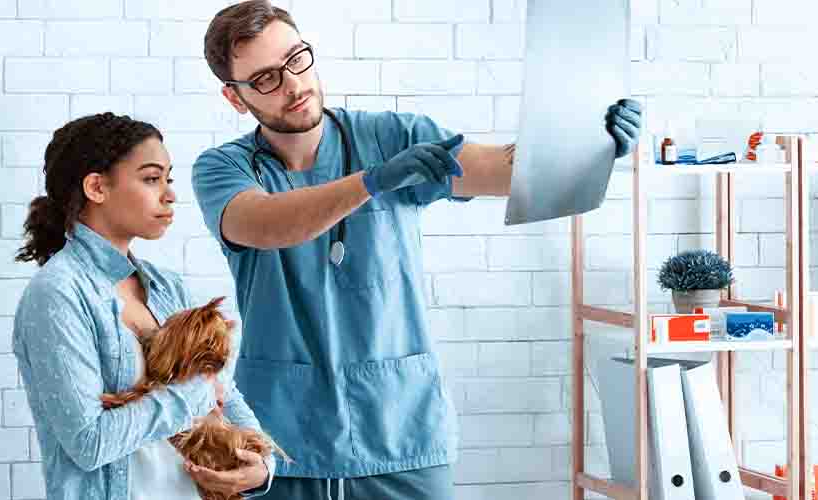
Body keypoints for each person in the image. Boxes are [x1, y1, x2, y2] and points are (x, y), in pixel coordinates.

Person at [193, 2, 643, 498]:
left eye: (297, 59)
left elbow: (501, 169)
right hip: (283, 442)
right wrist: (370, 182)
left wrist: (588, 140)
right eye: (265, 79)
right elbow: (266, 222)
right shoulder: (222, 169)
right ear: (235, 98)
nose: (293, 84)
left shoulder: (393, 137)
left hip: (401, 430)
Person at [11, 112, 276, 500]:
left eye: (167, 178)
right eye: (151, 179)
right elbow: (89, 443)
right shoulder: (58, 294)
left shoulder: (167, 287)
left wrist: (262, 467)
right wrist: (196, 394)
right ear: (96, 187)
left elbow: (224, 391)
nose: (169, 194)